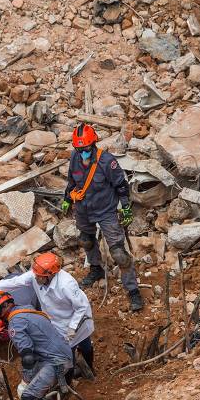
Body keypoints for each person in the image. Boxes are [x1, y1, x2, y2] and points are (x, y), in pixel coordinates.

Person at [62, 123, 142, 311]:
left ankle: (133, 290)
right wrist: (67, 199)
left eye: (86, 149)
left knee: (119, 254)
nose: (83, 153)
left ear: (94, 145)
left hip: (106, 211)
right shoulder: (74, 158)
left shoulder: (107, 161)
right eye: (79, 149)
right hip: (83, 210)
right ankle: (96, 269)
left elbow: (121, 186)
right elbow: (72, 182)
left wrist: (126, 208)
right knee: (86, 241)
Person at [0, 252, 94, 374]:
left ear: (50, 275)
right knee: (67, 353)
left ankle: (86, 369)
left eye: (38, 276)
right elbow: (14, 282)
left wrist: (72, 328)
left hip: (76, 321)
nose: (35, 277)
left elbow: (82, 307)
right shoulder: (36, 275)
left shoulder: (66, 285)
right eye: (35, 274)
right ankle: (70, 374)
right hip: (57, 322)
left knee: (82, 345)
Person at [0, 290, 72, 400]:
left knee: (28, 394)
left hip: (56, 361)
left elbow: (28, 357)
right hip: (58, 355)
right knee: (32, 388)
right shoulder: (28, 310)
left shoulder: (15, 323)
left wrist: (27, 378)